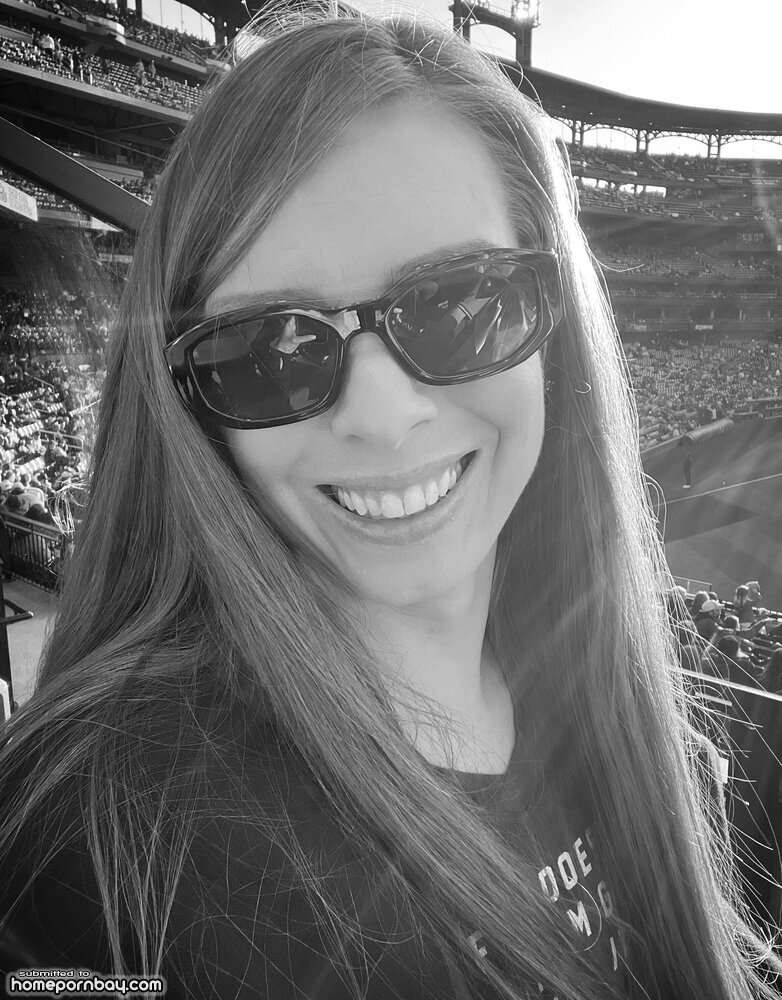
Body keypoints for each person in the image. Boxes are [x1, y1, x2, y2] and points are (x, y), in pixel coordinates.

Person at [0, 10, 777, 1000]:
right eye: (266, 350)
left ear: (556, 332)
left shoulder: (604, 691)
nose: (381, 414)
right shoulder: (99, 829)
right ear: (185, 401)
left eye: (460, 304)